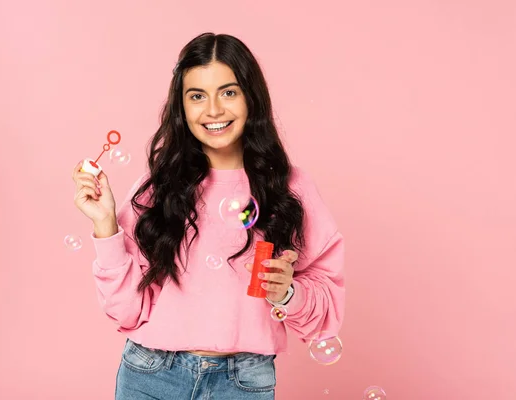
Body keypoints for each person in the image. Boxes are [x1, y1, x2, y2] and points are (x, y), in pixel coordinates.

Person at [72, 32, 345, 400]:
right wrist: (105, 225)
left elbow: (327, 309)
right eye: (197, 96)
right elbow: (126, 313)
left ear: (251, 98)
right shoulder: (157, 188)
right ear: (181, 108)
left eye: (228, 92)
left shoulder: (289, 189)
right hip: (151, 375)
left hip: (244, 382)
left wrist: (287, 293)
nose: (213, 110)